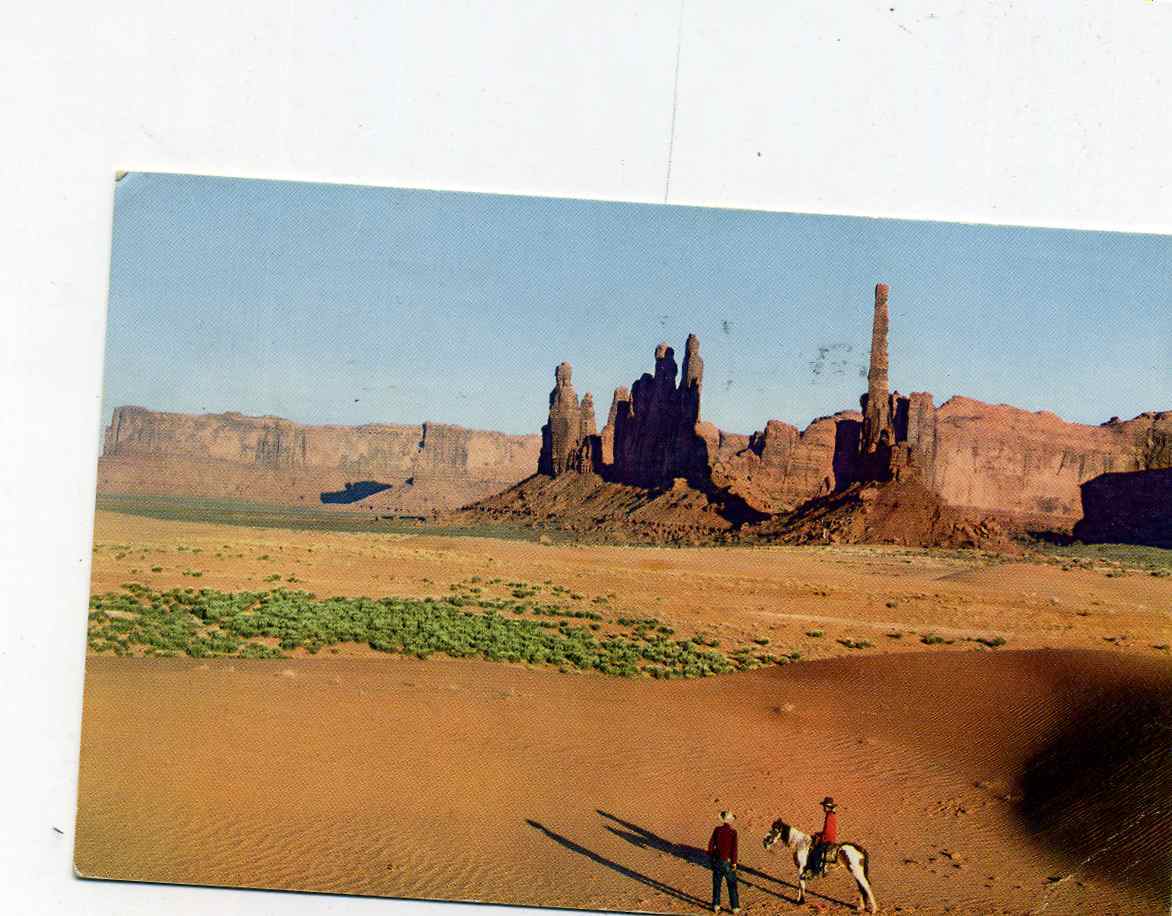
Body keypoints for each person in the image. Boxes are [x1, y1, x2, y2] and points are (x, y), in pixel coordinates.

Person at [707, 810, 740, 914]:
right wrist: (734, 862)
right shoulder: (733, 832)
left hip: (717, 860)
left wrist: (712, 857)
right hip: (728, 862)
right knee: (732, 885)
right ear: (730, 821)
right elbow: (734, 849)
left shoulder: (717, 830)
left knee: (717, 884)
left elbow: (710, 845)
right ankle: (735, 907)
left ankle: (716, 905)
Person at [804, 796, 838, 879]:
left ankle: (816, 872)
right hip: (829, 837)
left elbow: (828, 831)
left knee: (815, 853)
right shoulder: (830, 815)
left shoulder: (829, 816)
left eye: (824, 806)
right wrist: (819, 833)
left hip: (828, 839)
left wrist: (820, 836)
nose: (823, 808)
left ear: (827, 807)